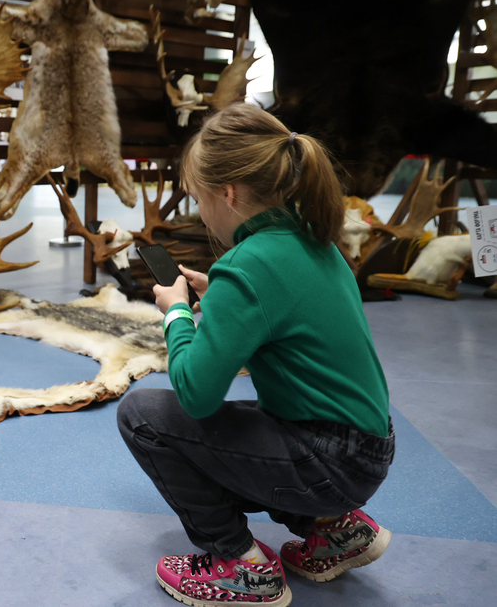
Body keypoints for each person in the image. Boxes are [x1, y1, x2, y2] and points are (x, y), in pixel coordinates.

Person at [117, 103, 394, 607]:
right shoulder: (314, 238)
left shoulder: (245, 266)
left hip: (328, 464)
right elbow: (283, 315)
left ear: (227, 193)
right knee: (245, 423)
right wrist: (219, 300)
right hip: (367, 449)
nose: (201, 212)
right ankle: (336, 530)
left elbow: (196, 394)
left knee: (143, 416)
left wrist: (176, 312)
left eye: (198, 199)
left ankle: (240, 565)